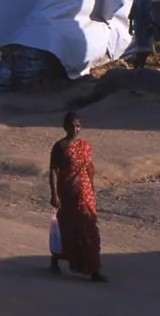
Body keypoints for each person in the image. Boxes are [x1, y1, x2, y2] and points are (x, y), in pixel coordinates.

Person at [49, 112, 105, 282]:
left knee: (88, 227)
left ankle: (93, 268)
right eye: (72, 125)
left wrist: (91, 190)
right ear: (64, 127)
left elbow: (89, 169)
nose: (75, 129)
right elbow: (53, 170)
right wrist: (54, 194)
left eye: (78, 126)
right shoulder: (60, 146)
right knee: (67, 228)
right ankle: (56, 259)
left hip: (85, 193)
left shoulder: (85, 146)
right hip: (67, 194)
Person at [128, 0, 157, 70]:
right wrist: (151, 26)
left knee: (139, 49)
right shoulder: (146, 0)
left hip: (137, 27)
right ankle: (140, 68)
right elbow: (147, 16)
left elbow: (131, 14)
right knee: (145, 50)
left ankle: (136, 68)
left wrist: (130, 26)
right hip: (144, 29)